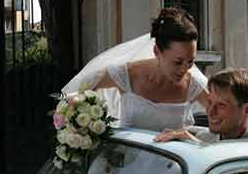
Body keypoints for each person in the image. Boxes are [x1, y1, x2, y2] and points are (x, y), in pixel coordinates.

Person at [62, 8, 209, 132]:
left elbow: (224, 118)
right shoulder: (126, 75)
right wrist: (84, 126)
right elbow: (80, 91)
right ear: (157, 51)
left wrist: (194, 138)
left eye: (190, 61)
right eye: (178, 62)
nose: (184, 69)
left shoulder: (194, 84)